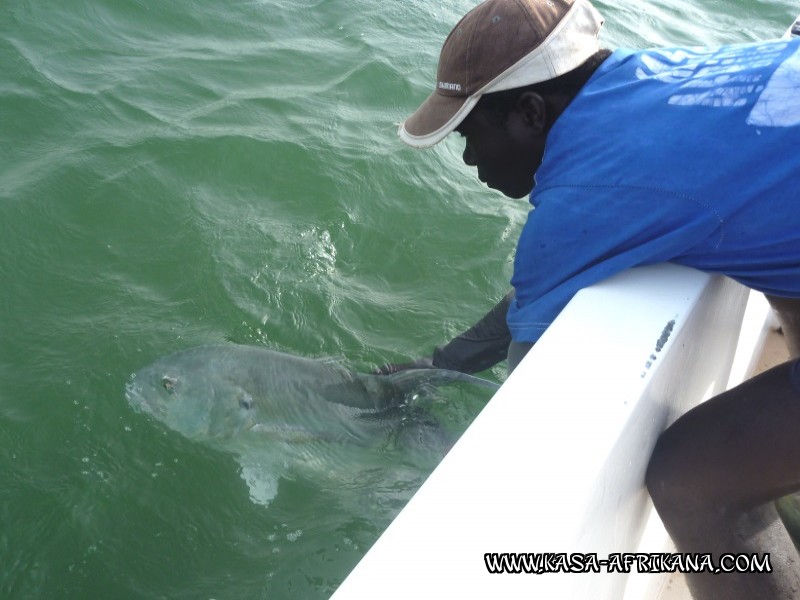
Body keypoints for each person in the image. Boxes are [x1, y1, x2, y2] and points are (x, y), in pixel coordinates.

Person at [378, 0, 800, 598]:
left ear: (528, 112)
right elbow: (539, 292)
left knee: (692, 479)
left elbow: (528, 416)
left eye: (471, 134)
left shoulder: (585, 194)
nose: (470, 158)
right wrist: (437, 368)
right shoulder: (647, 76)